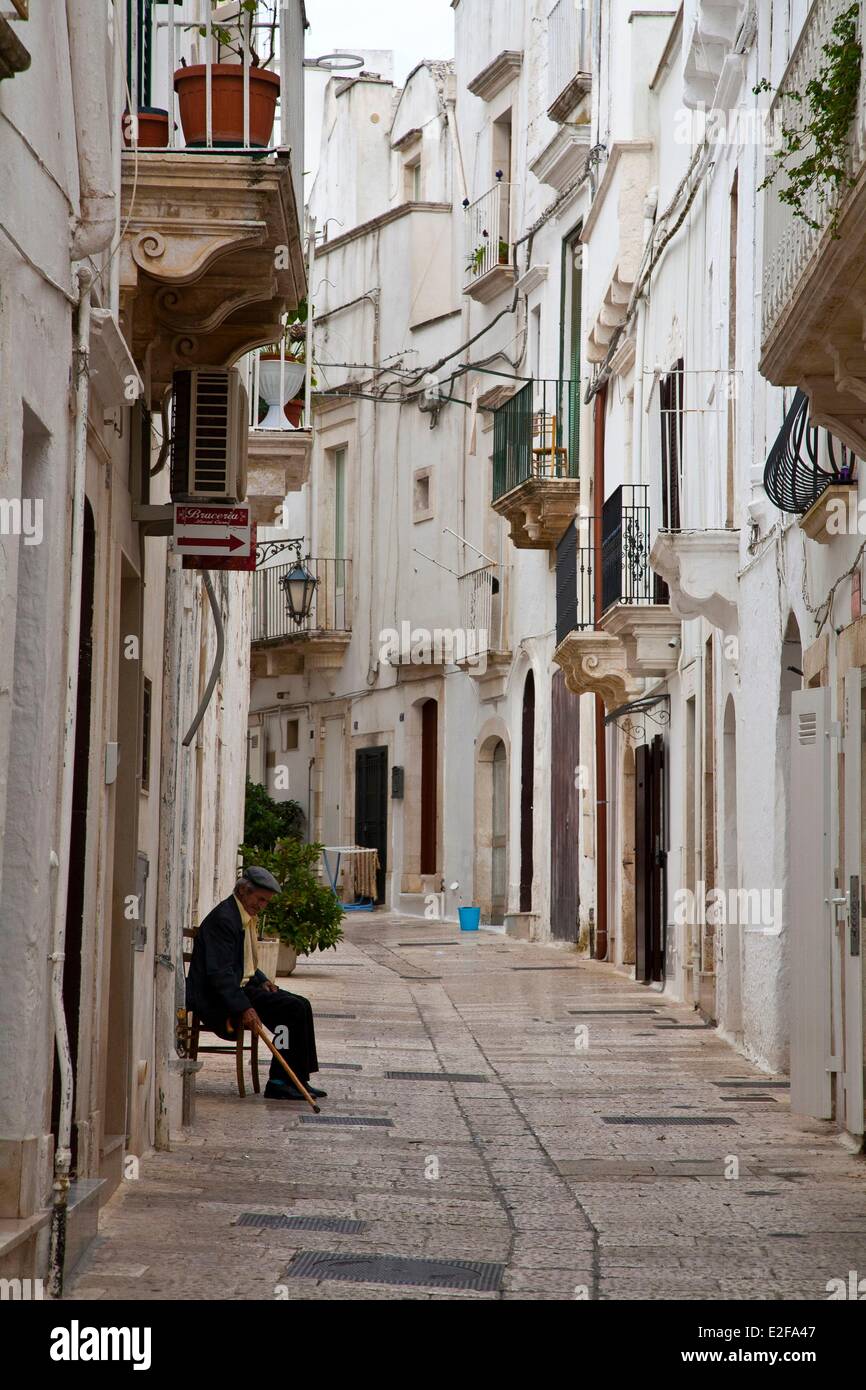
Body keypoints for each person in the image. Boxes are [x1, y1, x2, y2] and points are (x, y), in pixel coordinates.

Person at [186, 865, 326, 1101]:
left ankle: (296, 1078)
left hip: (239, 989)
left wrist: (262, 980)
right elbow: (220, 974)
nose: (261, 906)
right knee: (290, 1011)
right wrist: (243, 1008)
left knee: (301, 1004)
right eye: (259, 899)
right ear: (243, 891)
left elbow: (243, 961)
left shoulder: (241, 916)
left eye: (266, 902)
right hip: (218, 998)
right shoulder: (225, 919)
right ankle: (279, 1080)